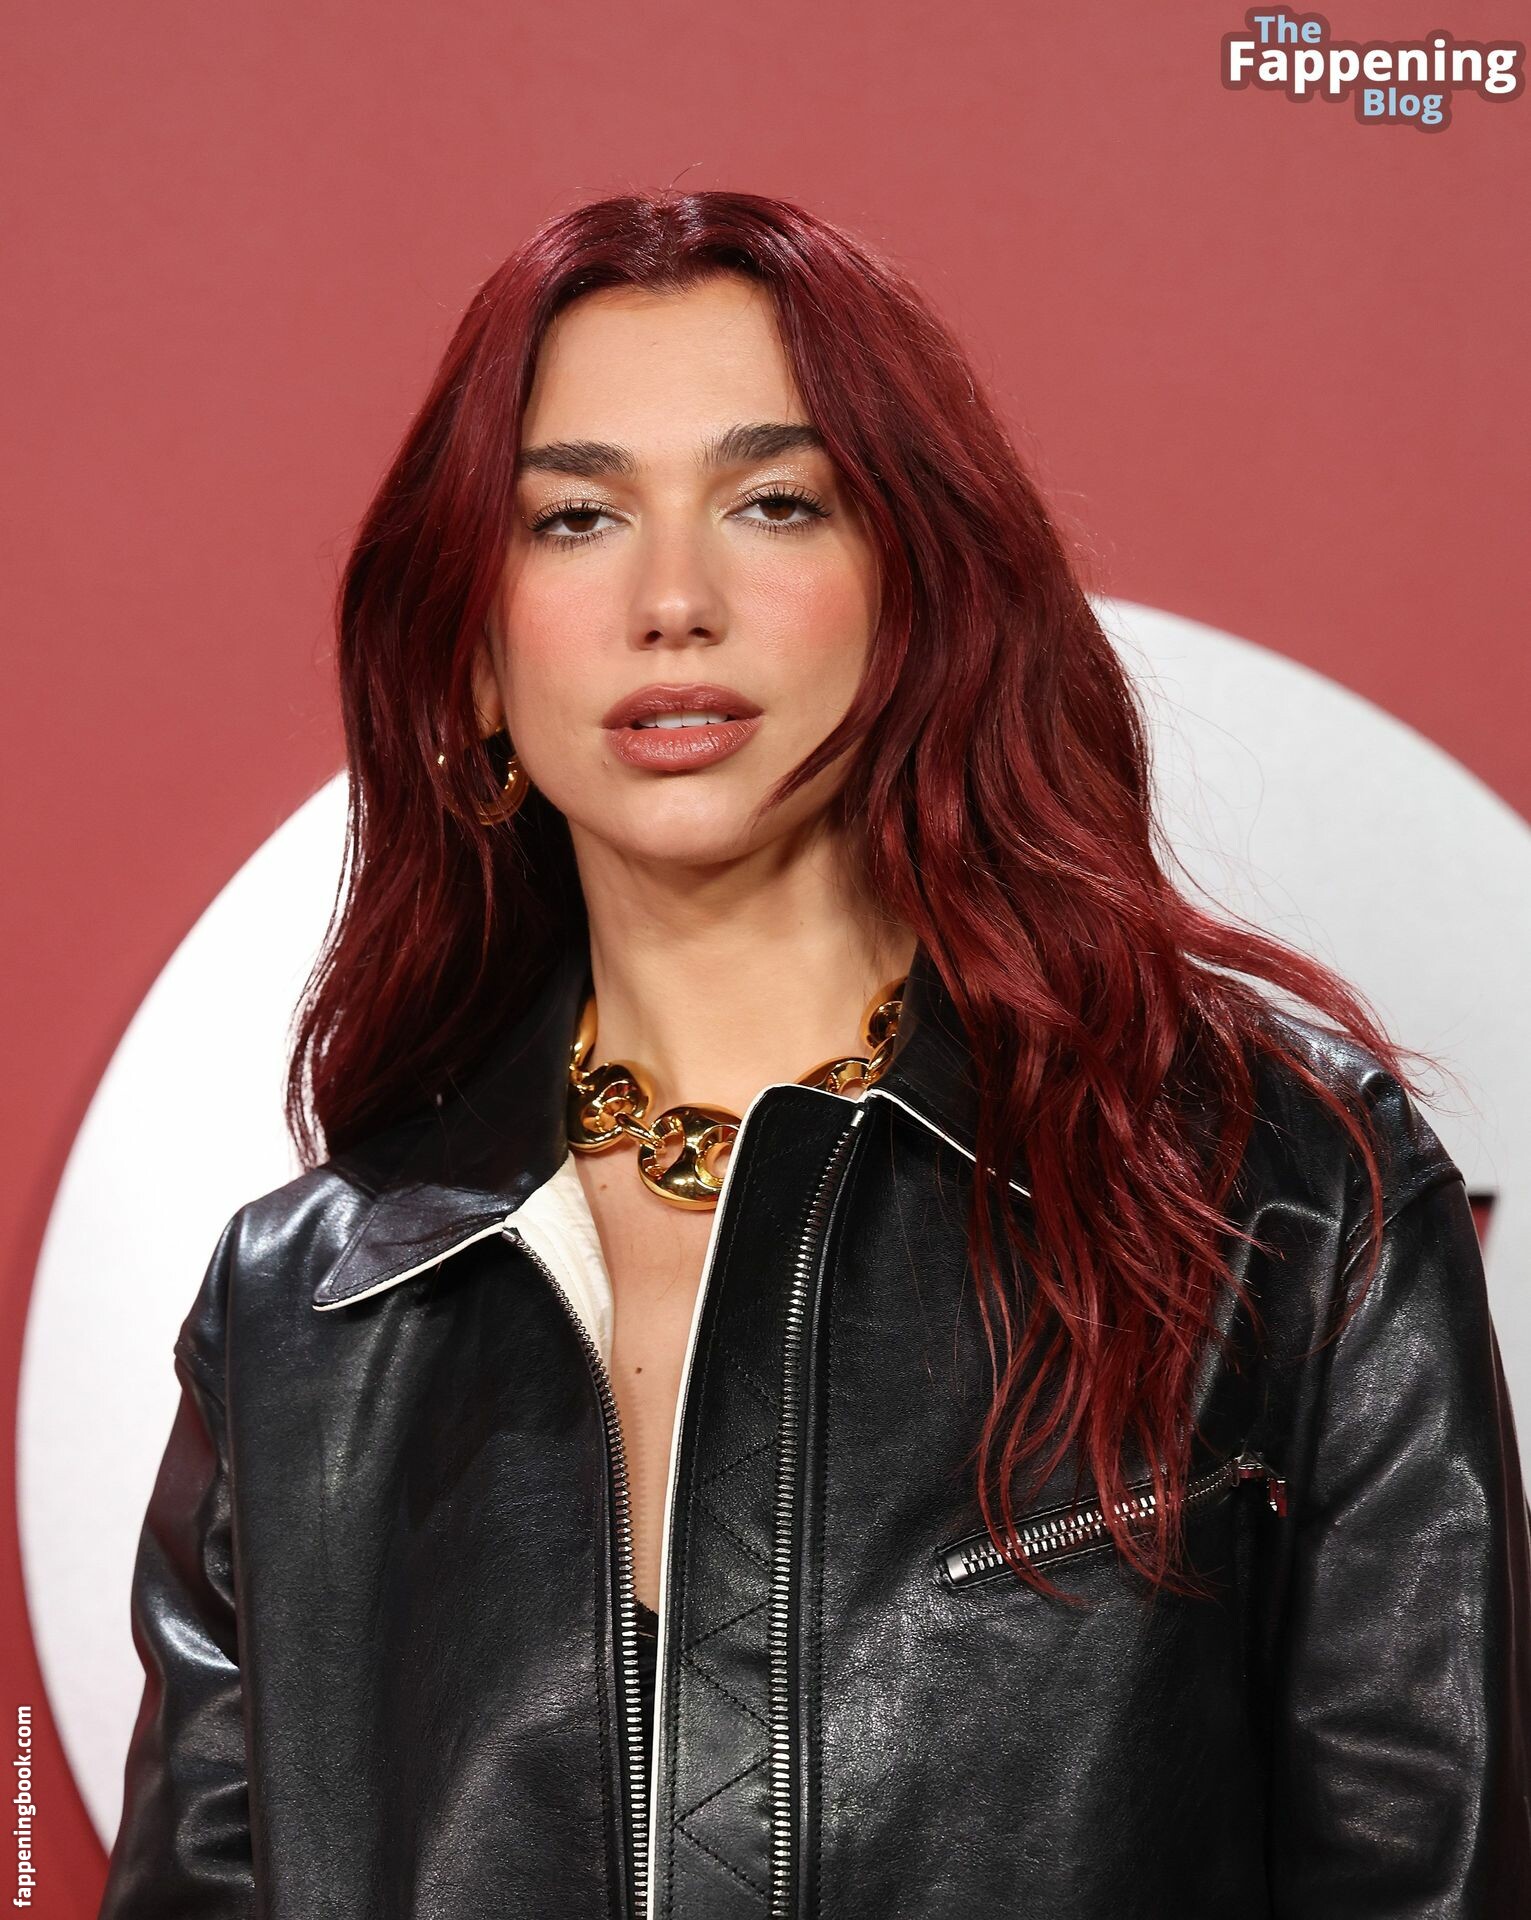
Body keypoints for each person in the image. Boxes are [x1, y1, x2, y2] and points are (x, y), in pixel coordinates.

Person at [98, 190, 1531, 1919]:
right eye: (573, 518)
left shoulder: (1273, 1190)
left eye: (774, 502)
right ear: (470, 659)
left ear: (917, 598)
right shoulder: (297, 1320)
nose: (673, 600)